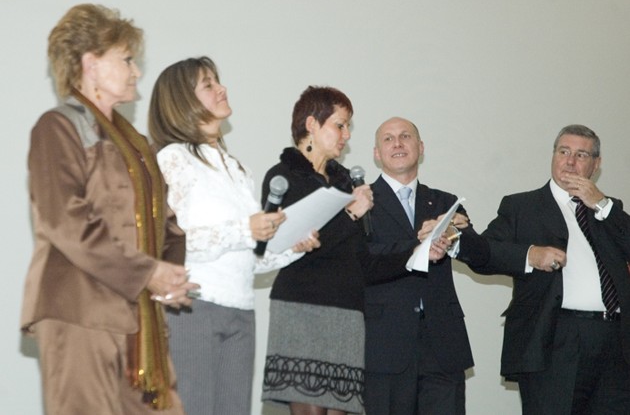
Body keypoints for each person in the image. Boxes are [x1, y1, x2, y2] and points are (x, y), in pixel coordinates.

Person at [20, 4, 198, 415]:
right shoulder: (57, 128)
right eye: (127, 59)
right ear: (91, 64)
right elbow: (66, 220)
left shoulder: (135, 143)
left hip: (141, 323)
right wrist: (147, 273)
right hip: (79, 312)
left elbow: (167, 224)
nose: (137, 71)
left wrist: (169, 276)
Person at [149, 56, 319, 415]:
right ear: (181, 101)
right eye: (208, 84)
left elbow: (250, 256)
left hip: (241, 309)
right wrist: (245, 228)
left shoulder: (237, 168)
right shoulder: (172, 159)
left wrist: (293, 248)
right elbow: (173, 244)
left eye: (217, 81)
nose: (221, 88)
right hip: (194, 306)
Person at [260, 87, 430, 415]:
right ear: (311, 124)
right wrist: (351, 213)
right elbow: (292, 246)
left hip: (348, 315)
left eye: (348, 126)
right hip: (304, 309)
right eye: (340, 125)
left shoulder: (343, 184)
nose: (347, 134)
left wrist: (418, 251)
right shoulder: (285, 176)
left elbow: (362, 264)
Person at [473, 124, 630, 414]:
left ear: (596, 165)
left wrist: (602, 205)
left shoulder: (609, 211)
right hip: (556, 337)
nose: (570, 161)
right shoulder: (522, 206)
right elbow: (483, 253)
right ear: (553, 156)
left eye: (581, 155)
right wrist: (529, 255)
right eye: (563, 151)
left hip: (615, 342)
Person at [363, 117, 489, 415]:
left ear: (420, 148)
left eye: (405, 136)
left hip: (443, 346)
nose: (398, 143)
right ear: (376, 154)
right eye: (388, 139)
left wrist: (455, 237)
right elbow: (364, 260)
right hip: (384, 347)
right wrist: (417, 249)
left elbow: (483, 256)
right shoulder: (362, 203)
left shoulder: (445, 202)